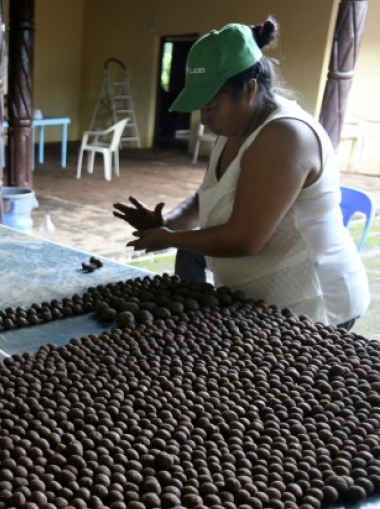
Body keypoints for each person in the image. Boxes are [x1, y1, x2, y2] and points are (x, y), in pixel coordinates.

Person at [114, 20, 369, 329]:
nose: (204, 120)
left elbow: (245, 239)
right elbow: (207, 196)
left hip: (312, 304)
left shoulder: (285, 136)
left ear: (249, 89)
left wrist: (170, 239)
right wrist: (168, 222)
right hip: (259, 302)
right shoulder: (233, 127)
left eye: (211, 107)